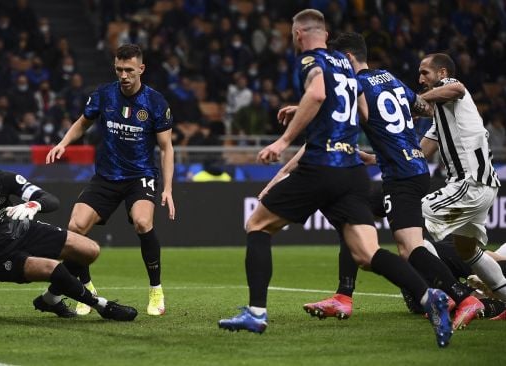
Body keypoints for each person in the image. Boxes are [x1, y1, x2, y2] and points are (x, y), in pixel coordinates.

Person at [217, 9, 452, 348]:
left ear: (299, 35)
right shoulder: (346, 65)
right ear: (325, 34)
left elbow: (316, 94)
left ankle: (255, 312)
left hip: (321, 165)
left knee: (257, 226)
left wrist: (283, 141)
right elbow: (364, 113)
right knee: (367, 253)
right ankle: (430, 297)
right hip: (352, 171)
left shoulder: (311, 60)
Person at [302, 32, 485, 330]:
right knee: (353, 217)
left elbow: (334, 114)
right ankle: (343, 295)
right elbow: (422, 109)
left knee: (411, 248)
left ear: (347, 59)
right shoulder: (387, 76)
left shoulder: (356, 85)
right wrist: (381, 152)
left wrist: (300, 111)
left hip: (401, 177)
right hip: (412, 167)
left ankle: (462, 297)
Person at [46, 44, 175, 316]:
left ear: (141, 69)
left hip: (140, 175)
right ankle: (87, 290)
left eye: (129, 70)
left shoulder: (155, 102)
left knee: (142, 222)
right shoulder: (104, 94)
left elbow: (166, 148)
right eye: (119, 69)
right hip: (106, 176)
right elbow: (83, 122)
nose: (124, 75)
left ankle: (156, 290)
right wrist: (63, 143)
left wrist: (168, 188)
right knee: (75, 226)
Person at [0, 157, 137, 322]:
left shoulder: (2, 179)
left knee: (90, 251)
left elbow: (51, 200)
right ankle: (102, 306)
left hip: (25, 231)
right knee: (52, 268)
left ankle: (50, 299)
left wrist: (34, 204)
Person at [417, 53, 506, 302]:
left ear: (442, 73)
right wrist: (375, 159)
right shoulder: (443, 116)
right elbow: (420, 153)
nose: (420, 78)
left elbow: (457, 88)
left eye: (425, 72)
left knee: (409, 217)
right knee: (468, 251)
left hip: (470, 182)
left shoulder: (451, 87)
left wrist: (413, 100)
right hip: (481, 186)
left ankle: (458, 297)